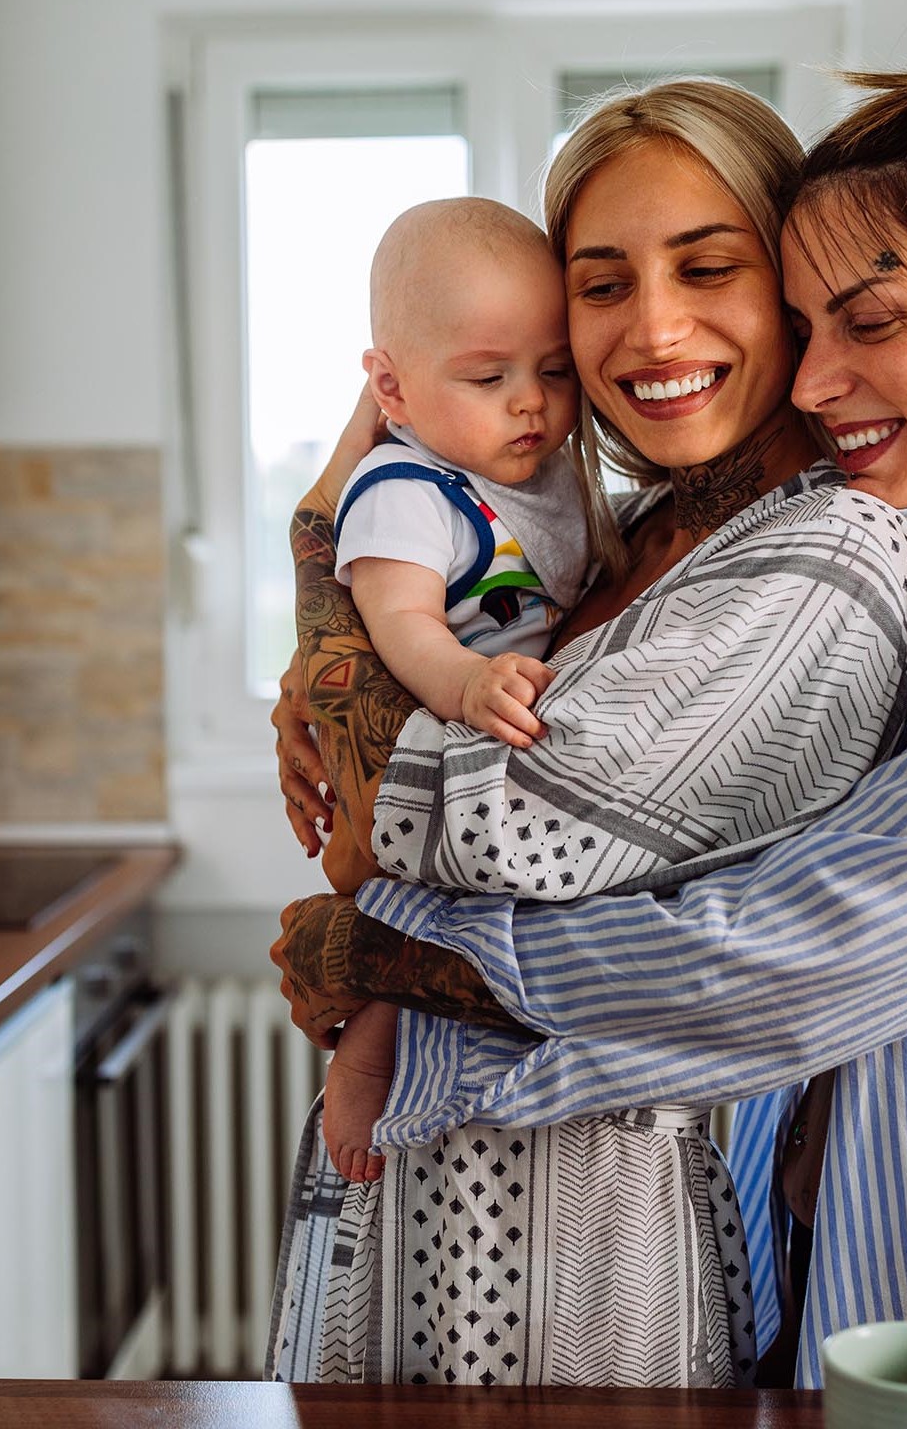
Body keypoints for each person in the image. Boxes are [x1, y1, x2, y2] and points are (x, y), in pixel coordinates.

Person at [271, 0, 907, 1429]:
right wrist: (346, 611)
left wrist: (387, 954)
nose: (816, 375)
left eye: (867, 321)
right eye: (807, 324)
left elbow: (774, 961)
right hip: (850, 1330)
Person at [269, 77, 907, 1388]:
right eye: (601, 283)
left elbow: (475, 826)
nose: (652, 327)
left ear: (789, 285)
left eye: (708, 266)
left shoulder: (826, 553)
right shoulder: (622, 535)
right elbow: (395, 774)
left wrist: (314, 558)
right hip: (431, 1191)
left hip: (572, 1245)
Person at [319, 196, 598, 1184]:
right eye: (488, 376)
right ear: (391, 387)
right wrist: (467, 680)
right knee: (409, 918)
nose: (531, 401)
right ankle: (365, 1046)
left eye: (553, 370)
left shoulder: (550, 469)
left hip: (516, 753)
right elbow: (400, 625)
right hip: (436, 749)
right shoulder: (408, 489)